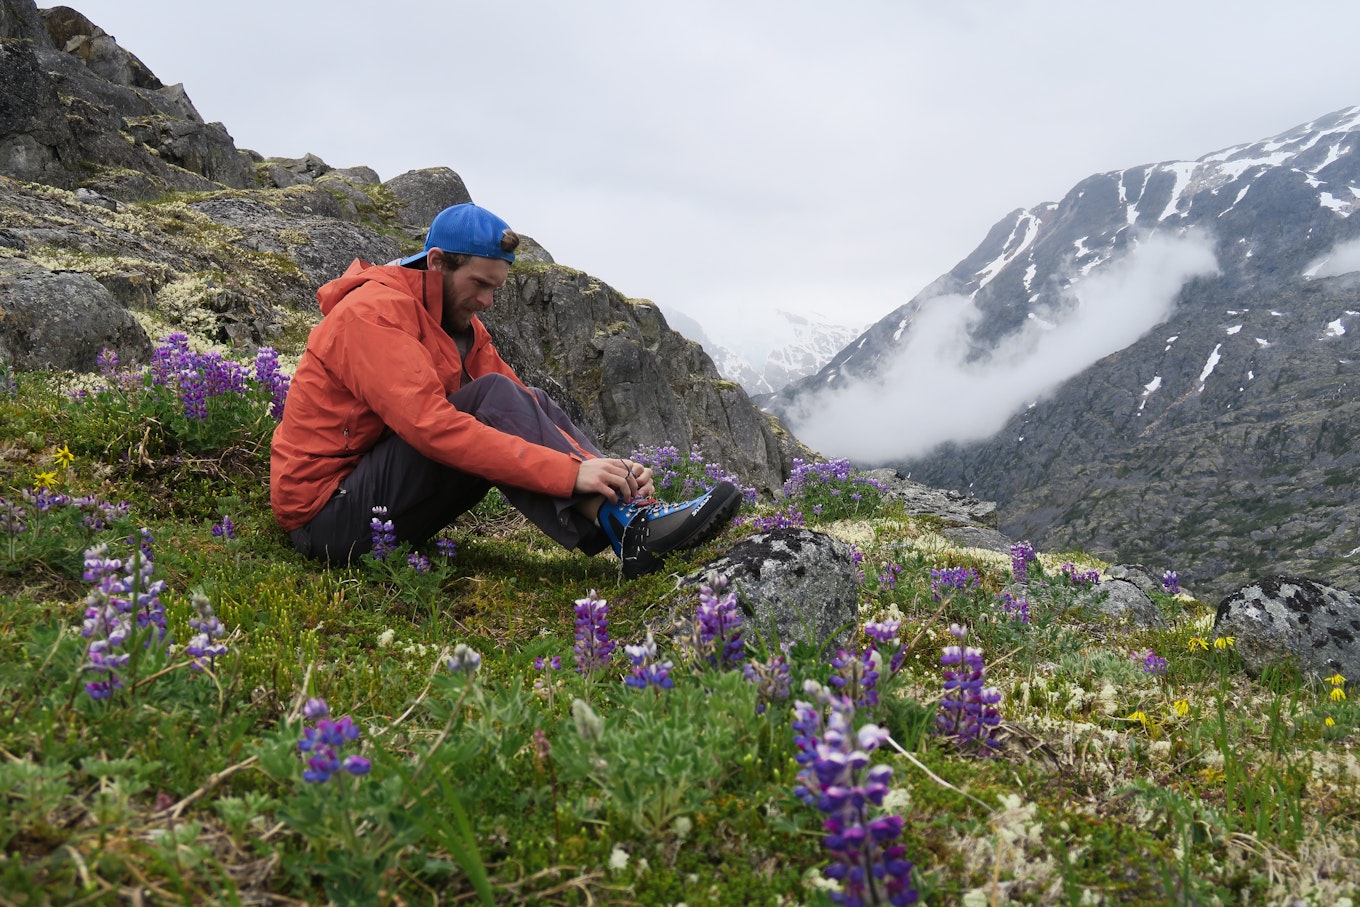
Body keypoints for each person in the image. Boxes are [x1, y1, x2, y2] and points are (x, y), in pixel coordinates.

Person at [269, 202, 741, 578]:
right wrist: (569, 474)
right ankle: (630, 527)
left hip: (377, 503)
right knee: (488, 399)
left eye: (495, 288)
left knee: (527, 398)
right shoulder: (372, 312)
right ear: (437, 262)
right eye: (478, 284)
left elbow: (524, 409)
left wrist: (605, 468)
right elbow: (430, 426)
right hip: (327, 519)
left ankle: (630, 510)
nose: (487, 302)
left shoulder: (457, 325)